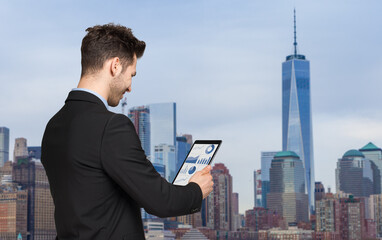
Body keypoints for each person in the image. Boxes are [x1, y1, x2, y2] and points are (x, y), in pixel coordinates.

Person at [41, 23, 214, 240]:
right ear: (115, 66)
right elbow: (160, 201)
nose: (130, 87)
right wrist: (196, 190)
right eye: (131, 74)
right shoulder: (112, 126)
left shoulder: (53, 126)